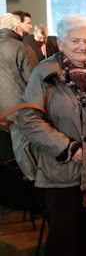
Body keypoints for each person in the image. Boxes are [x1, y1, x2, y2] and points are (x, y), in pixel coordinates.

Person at [17, 14, 86, 256]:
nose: (82, 46)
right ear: (61, 42)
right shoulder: (44, 74)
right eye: (75, 40)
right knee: (62, 239)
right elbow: (28, 119)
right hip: (59, 174)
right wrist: (69, 148)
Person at [0, 13, 37, 163]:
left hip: (3, 112)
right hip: (18, 112)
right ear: (16, 29)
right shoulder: (22, 48)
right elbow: (34, 82)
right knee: (27, 156)